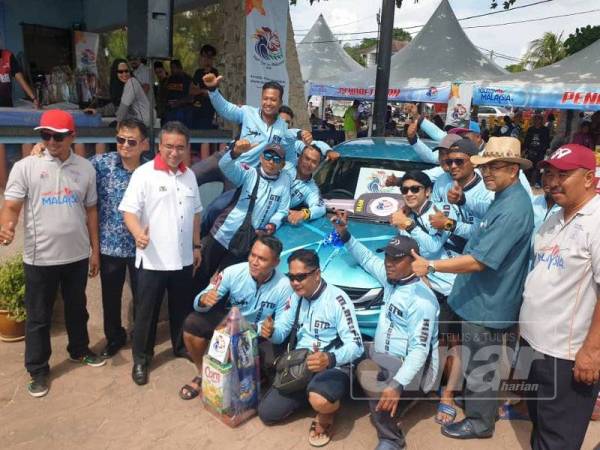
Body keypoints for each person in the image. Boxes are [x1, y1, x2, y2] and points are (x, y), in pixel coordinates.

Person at [411, 136, 534, 440]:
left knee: (482, 364)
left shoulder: (513, 208)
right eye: (485, 166)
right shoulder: (503, 197)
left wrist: (431, 265)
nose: (488, 173)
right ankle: (479, 406)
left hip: (488, 301)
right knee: (478, 362)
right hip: (479, 297)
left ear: (515, 170)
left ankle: (480, 423)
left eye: (496, 166)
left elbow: (479, 261)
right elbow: (477, 234)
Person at [0, 110, 104, 398]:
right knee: (38, 316)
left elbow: (91, 210)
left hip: (76, 255)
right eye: (45, 135)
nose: (51, 141)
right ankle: (38, 369)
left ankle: (79, 350)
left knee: (77, 308)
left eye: (57, 136)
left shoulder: (85, 168)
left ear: (72, 137)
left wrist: (94, 250)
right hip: (40, 257)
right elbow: (11, 206)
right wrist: (6, 227)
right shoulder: (26, 167)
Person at [333, 211, 439, 450]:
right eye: (388, 257)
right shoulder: (394, 278)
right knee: (345, 350)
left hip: (410, 373)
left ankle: (391, 438)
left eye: (397, 258)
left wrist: (397, 384)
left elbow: (419, 352)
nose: (389, 263)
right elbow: (368, 259)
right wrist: (345, 234)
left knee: (367, 371)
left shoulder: (422, 301)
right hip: (384, 356)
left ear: (414, 261)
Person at [519, 144, 600, 450]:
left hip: (568, 356)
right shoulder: (555, 214)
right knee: (541, 423)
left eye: (563, 174)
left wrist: (592, 351)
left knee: (559, 438)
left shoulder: (597, 221)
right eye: (549, 173)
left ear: (589, 179)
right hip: (535, 345)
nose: (552, 181)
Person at [119, 121, 202, 386]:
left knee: (181, 308)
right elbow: (128, 211)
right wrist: (137, 233)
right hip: (153, 259)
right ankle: (141, 359)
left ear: (187, 149)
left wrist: (197, 244)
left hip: (182, 258)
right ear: (159, 146)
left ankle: (179, 346)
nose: (174, 153)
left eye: (180, 147)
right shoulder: (144, 174)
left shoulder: (189, 175)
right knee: (147, 313)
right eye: (169, 146)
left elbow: (197, 212)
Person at [258, 249, 363, 447]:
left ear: (317, 274)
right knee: (267, 414)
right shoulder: (296, 297)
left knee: (320, 400)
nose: (295, 282)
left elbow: (356, 346)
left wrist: (330, 358)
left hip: (332, 365)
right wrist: (271, 331)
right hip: (301, 364)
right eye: (291, 277)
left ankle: (326, 410)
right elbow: (282, 332)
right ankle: (310, 393)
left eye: (300, 277)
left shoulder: (338, 300)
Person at [179, 236, 293, 400]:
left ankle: (251, 378)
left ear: (276, 262)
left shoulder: (285, 286)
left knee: (270, 370)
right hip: (230, 324)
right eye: (252, 255)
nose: (254, 262)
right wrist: (203, 300)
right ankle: (202, 373)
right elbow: (200, 301)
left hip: (258, 333)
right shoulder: (233, 272)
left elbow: (282, 331)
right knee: (192, 324)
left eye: (262, 259)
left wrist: (271, 330)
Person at [390, 171, 462, 425]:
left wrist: (407, 224)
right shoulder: (406, 213)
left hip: (447, 287)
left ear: (428, 191)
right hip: (421, 286)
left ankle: (449, 395)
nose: (409, 193)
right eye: (405, 189)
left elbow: (432, 248)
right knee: (423, 341)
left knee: (449, 342)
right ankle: (427, 385)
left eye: (415, 189)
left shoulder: (440, 211)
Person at [195, 141, 290, 290]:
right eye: (268, 156)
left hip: (247, 241)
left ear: (282, 165)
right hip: (223, 232)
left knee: (228, 280)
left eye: (277, 159)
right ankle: (190, 308)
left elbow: (282, 210)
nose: (271, 161)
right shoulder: (249, 173)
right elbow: (225, 165)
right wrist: (235, 153)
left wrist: (272, 224)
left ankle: (214, 308)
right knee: (201, 274)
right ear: (260, 157)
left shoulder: (284, 183)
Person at [90, 119, 149, 358]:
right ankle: (114, 337)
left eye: (131, 141)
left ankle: (141, 335)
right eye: (120, 139)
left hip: (141, 247)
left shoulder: (150, 171)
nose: (124, 145)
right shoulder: (100, 165)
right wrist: (41, 150)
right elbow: (70, 166)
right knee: (111, 297)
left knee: (143, 296)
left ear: (144, 144)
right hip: (109, 245)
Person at [191, 74, 311, 186]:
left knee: (224, 207)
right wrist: (213, 90)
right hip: (226, 157)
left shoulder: (283, 129)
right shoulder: (248, 112)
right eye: (265, 98)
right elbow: (225, 109)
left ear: (280, 103)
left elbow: (289, 156)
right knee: (191, 176)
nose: (268, 103)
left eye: (273, 100)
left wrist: (293, 178)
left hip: (242, 173)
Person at [0, 45, 39, 188]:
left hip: (6, 111)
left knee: (10, 151)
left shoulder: (7, 56)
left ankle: (15, 184)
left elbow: (19, 78)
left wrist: (33, 97)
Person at [86, 59, 151, 127]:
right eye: (120, 72)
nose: (124, 74)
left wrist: (118, 122)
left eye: (126, 71)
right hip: (132, 121)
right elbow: (116, 105)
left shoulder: (132, 82)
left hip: (141, 123)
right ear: (115, 73)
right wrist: (97, 111)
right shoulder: (119, 86)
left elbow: (123, 106)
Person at [190, 44, 219, 159]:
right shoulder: (198, 72)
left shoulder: (215, 72)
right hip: (196, 108)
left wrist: (201, 91)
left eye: (210, 57)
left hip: (208, 110)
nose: (207, 60)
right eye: (204, 57)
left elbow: (213, 92)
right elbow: (191, 90)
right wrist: (203, 91)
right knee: (194, 135)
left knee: (205, 137)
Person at [286, 145, 326, 225]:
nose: (309, 164)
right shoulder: (285, 167)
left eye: (314, 162)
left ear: (318, 166)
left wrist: (303, 213)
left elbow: (321, 208)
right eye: (307, 159)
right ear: (300, 157)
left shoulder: (312, 188)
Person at [164, 60, 194, 128]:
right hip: (171, 110)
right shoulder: (170, 79)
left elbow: (191, 97)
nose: (172, 70)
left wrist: (179, 102)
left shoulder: (187, 79)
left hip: (184, 110)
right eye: (171, 68)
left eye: (174, 68)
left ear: (180, 68)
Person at [524, 114, 551, 187]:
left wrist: (545, 150)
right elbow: (527, 140)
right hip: (531, 150)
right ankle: (527, 182)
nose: (537, 121)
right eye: (535, 119)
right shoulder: (530, 129)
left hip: (540, 151)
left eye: (539, 119)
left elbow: (547, 141)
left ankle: (538, 182)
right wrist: (526, 149)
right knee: (529, 166)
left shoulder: (545, 130)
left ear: (541, 120)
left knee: (539, 167)